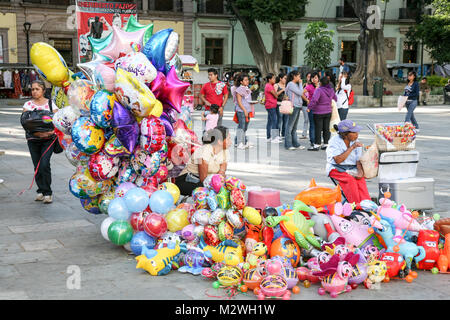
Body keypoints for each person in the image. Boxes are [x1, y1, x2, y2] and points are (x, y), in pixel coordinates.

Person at [21, 80, 59, 204]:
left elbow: (58, 122)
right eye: (32, 89)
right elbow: (25, 123)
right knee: (37, 166)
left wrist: (48, 132)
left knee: (44, 164)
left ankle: (48, 193)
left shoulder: (51, 104)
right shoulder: (28, 105)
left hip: (48, 140)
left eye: (37, 89)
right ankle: (40, 191)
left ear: (43, 90)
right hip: (33, 140)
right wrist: (38, 131)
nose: (34, 91)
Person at [175, 126, 231, 196]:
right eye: (228, 139)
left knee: (229, 187)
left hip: (206, 182)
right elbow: (203, 179)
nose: (230, 142)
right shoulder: (204, 151)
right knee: (209, 191)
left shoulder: (225, 151)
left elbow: (221, 173)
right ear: (220, 142)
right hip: (188, 180)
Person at [327, 120, 370, 204]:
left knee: (360, 180)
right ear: (345, 134)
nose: (357, 134)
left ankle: (367, 205)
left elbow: (358, 161)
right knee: (350, 180)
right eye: (354, 132)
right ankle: (355, 205)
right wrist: (352, 148)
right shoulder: (334, 141)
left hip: (351, 167)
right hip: (336, 168)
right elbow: (338, 160)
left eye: (357, 132)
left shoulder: (356, 140)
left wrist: (360, 172)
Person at [307, 76, 337, 151]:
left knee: (318, 128)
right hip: (328, 111)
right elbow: (335, 99)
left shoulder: (319, 90)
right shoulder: (331, 90)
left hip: (318, 112)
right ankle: (326, 144)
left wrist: (309, 107)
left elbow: (314, 100)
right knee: (326, 128)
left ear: (321, 83)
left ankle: (317, 145)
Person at [284, 70, 306, 150]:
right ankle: (288, 144)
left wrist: (299, 84)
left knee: (294, 127)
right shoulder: (291, 84)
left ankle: (295, 143)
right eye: (299, 76)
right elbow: (300, 93)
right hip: (293, 106)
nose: (300, 78)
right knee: (289, 126)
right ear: (294, 76)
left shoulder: (294, 84)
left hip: (297, 106)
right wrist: (300, 83)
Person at [235, 73, 255, 149]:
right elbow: (239, 102)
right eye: (245, 80)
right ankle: (239, 143)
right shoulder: (239, 90)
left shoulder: (247, 88)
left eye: (248, 80)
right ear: (241, 82)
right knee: (241, 126)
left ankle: (242, 141)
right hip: (242, 111)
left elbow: (247, 99)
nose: (247, 81)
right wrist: (244, 110)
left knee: (245, 127)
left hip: (248, 110)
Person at [264, 73, 283, 143]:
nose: (275, 79)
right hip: (270, 105)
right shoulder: (269, 86)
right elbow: (276, 96)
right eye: (273, 78)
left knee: (270, 121)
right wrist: (281, 90)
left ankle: (269, 137)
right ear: (269, 79)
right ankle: (274, 138)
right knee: (274, 121)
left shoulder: (270, 85)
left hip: (271, 105)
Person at [305, 72, 319, 149]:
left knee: (319, 125)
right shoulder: (309, 86)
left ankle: (318, 141)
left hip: (320, 109)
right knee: (312, 125)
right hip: (311, 109)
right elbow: (302, 93)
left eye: (316, 77)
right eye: (313, 78)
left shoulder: (321, 86)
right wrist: (307, 100)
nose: (314, 79)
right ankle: (312, 141)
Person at [274, 73, 287, 138]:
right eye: (284, 78)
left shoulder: (287, 85)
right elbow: (275, 94)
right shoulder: (276, 85)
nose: (285, 80)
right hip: (279, 104)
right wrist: (282, 90)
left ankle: (284, 134)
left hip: (286, 104)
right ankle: (277, 135)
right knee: (279, 120)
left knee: (286, 120)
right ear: (280, 78)